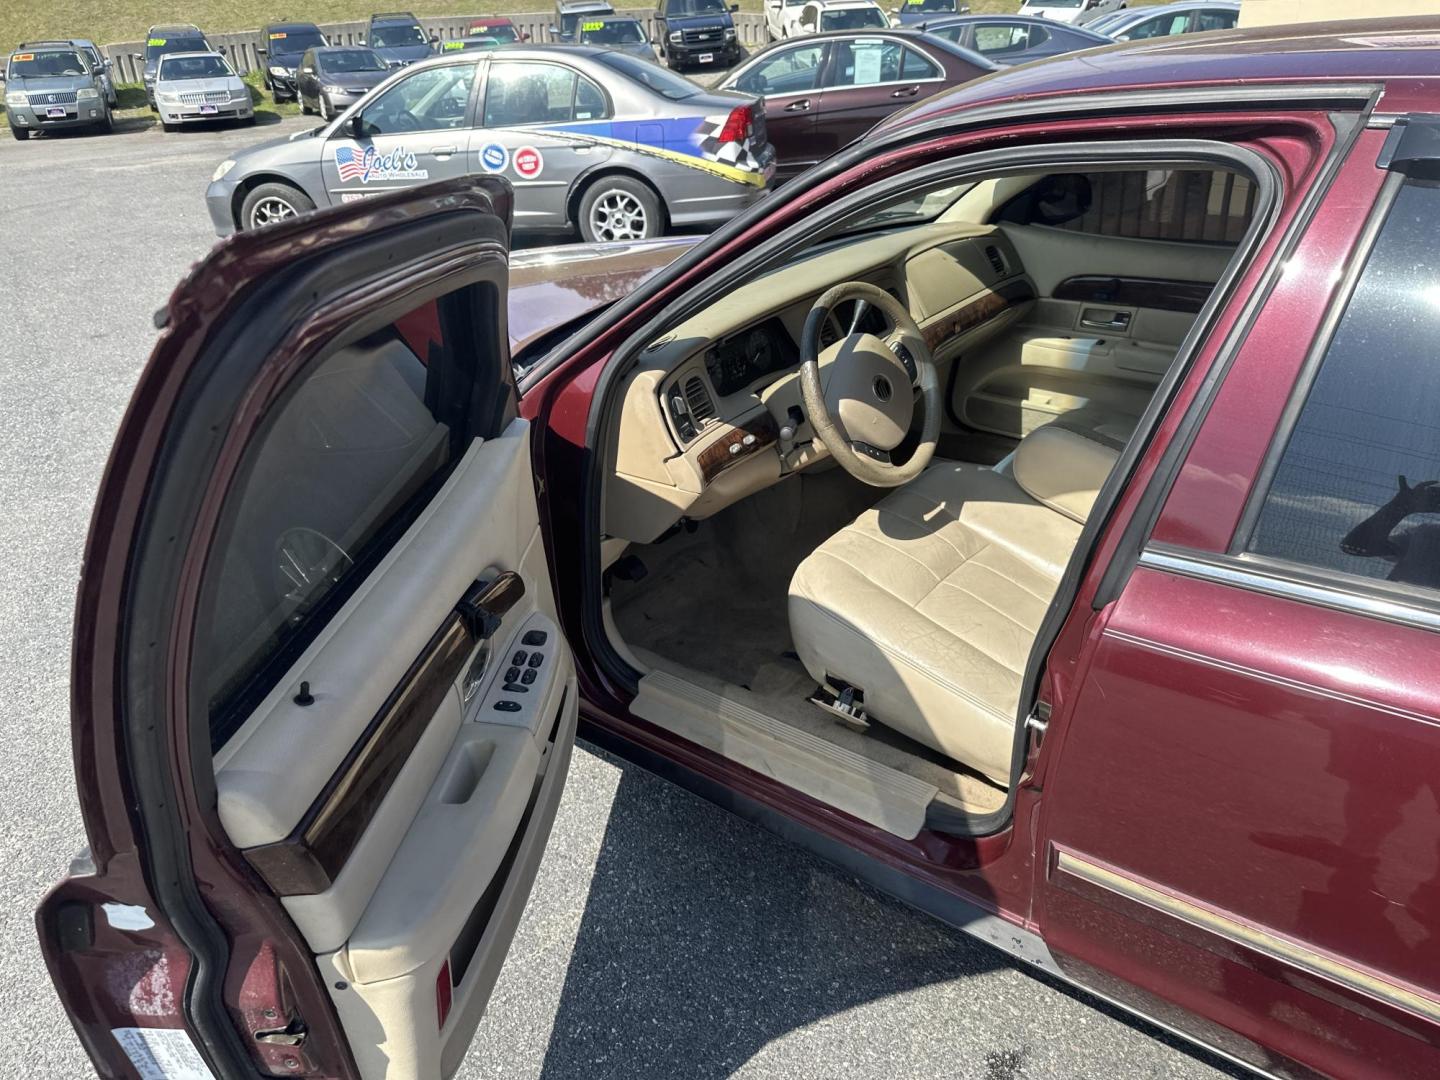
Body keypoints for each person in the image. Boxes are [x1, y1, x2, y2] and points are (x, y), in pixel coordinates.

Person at [1340, 474, 1440, 588]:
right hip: (1387, 603)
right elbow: (1354, 546)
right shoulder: (1428, 536)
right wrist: (1400, 507)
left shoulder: (1427, 535)